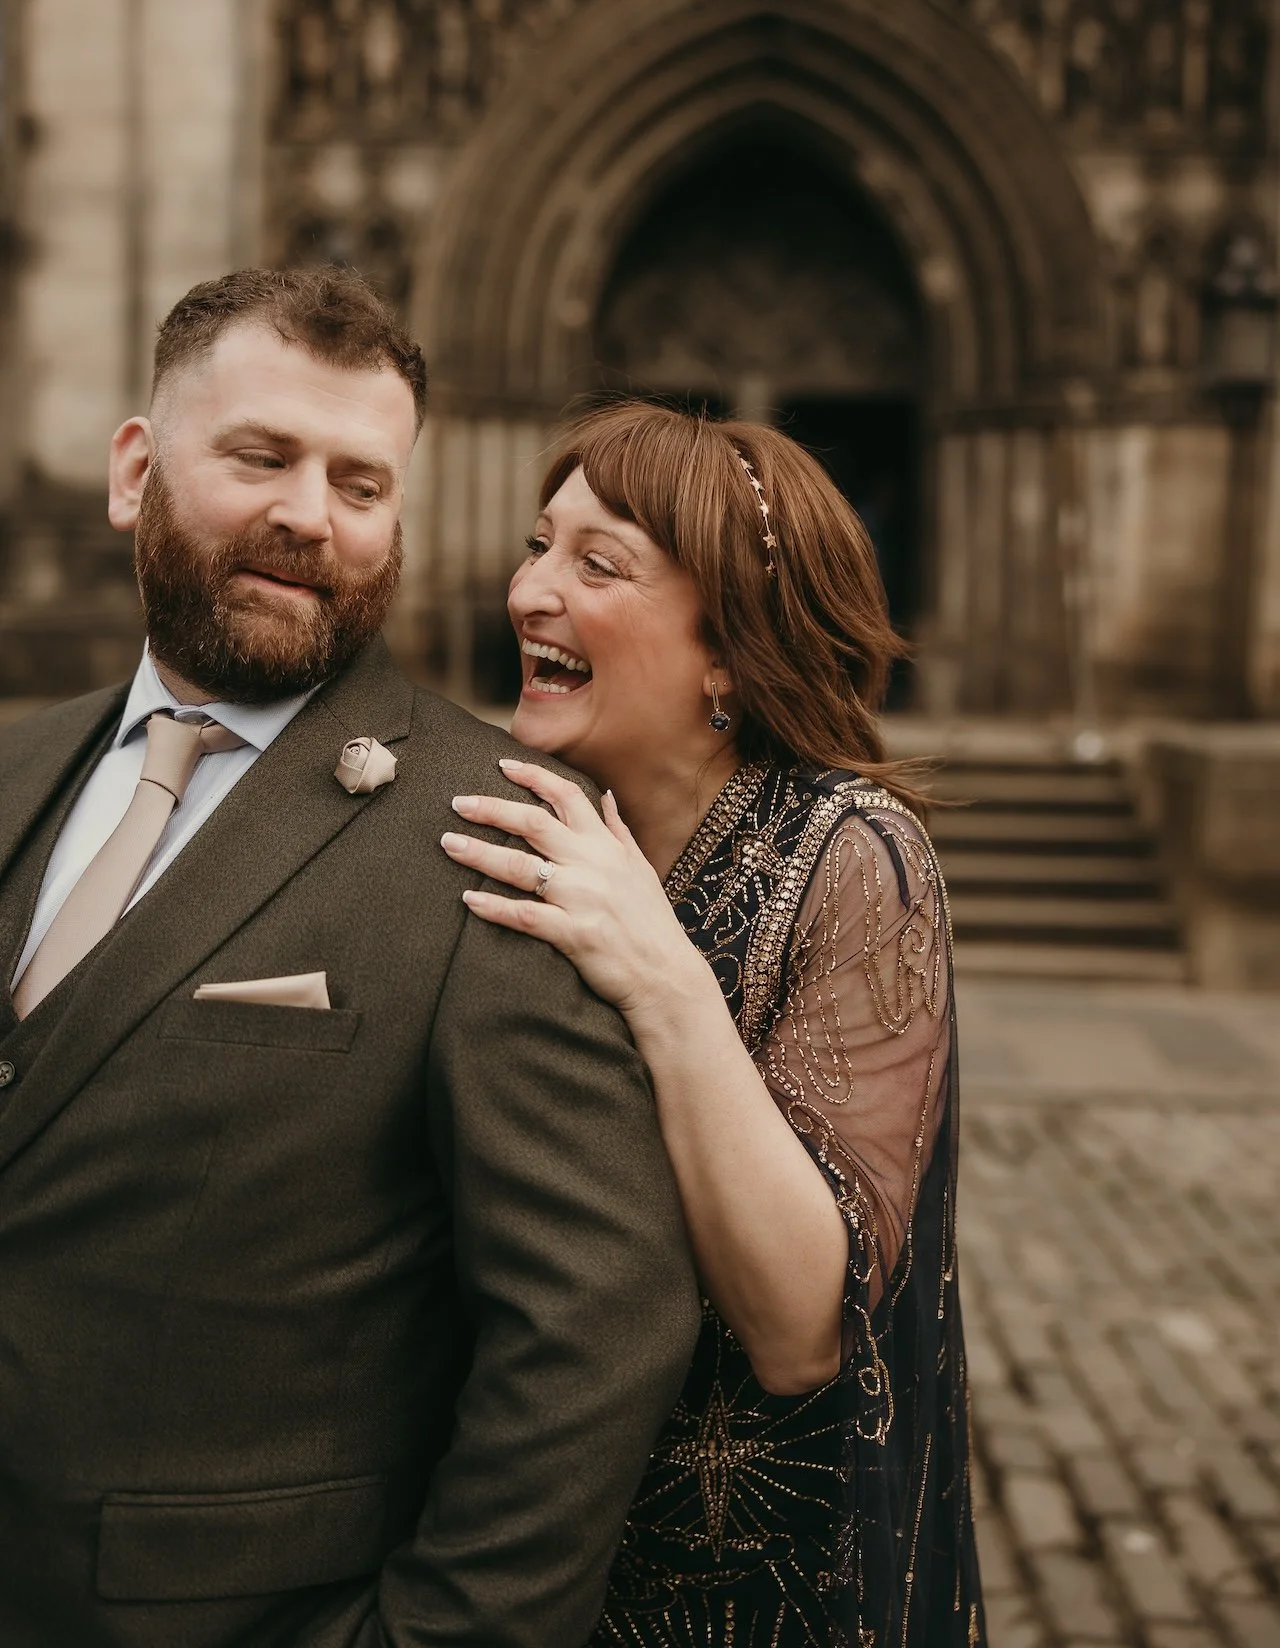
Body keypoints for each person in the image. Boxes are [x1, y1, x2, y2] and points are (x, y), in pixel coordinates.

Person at [0, 272, 701, 1648]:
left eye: (360, 483)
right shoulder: (18, 766)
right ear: (135, 473)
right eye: (261, 457)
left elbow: (594, 1329)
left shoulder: (499, 830)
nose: (310, 515)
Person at [442, 399, 986, 1646]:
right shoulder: (530, 824)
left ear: (729, 652)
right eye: (536, 545)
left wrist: (667, 982)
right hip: (520, 1553)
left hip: (750, 1585)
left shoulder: (853, 856)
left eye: (598, 564)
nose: (528, 592)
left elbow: (801, 1326)